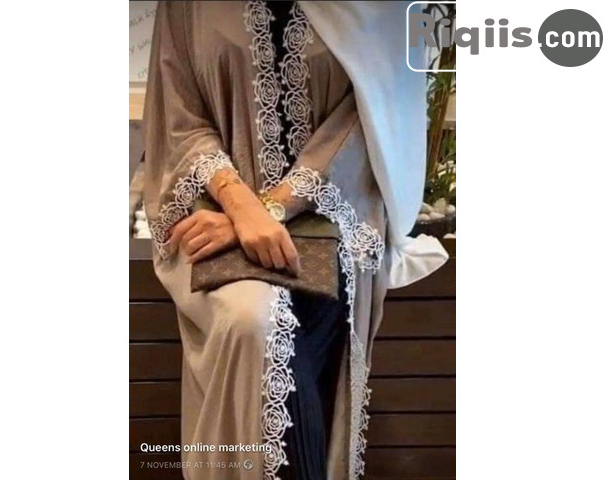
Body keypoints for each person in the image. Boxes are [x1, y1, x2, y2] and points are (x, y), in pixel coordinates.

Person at [142, 2, 448, 479]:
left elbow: (370, 119)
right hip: (212, 211)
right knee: (252, 322)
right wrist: (240, 206)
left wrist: (272, 208)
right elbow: (179, 116)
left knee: (277, 325)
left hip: (334, 212)